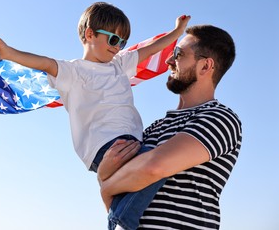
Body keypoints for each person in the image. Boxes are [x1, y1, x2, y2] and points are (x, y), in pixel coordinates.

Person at [0, 2, 190, 230]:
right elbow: (41, 62)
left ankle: (121, 216)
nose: (118, 47)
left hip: (130, 141)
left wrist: (177, 32)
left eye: (122, 42)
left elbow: (151, 48)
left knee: (144, 176)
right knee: (158, 163)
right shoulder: (74, 71)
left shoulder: (119, 64)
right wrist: (8, 52)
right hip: (105, 144)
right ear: (90, 34)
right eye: (113, 40)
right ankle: (121, 221)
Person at [98, 24, 242, 230]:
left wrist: (106, 186)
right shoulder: (153, 128)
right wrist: (105, 178)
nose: (168, 60)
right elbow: (119, 205)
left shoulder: (220, 118)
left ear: (205, 67)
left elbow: (153, 167)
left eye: (178, 54)